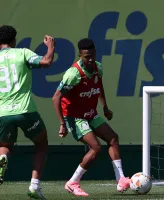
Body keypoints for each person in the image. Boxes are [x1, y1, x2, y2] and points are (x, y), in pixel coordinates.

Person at [52, 38, 130, 197]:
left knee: (113, 139)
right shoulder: (73, 74)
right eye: (86, 56)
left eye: (92, 55)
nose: (90, 59)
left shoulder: (97, 67)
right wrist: (62, 124)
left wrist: (105, 107)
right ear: (80, 55)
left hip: (90, 113)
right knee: (96, 148)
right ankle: (72, 182)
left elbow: (98, 87)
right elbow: (56, 98)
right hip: (75, 117)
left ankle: (121, 179)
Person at [0, 25, 55, 199]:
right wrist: (50, 46)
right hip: (25, 110)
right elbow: (46, 62)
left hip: (3, 113)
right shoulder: (22, 52)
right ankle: (34, 186)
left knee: (5, 146)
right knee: (41, 143)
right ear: (14, 40)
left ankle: (2, 159)